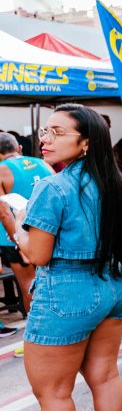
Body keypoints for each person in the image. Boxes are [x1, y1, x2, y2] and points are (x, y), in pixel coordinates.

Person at [0, 104, 122, 411]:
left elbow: (38, 256)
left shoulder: (53, 187)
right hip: (113, 288)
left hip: (66, 292)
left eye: (58, 132)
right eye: (46, 131)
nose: (45, 138)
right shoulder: (114, 183)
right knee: (105, 376)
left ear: (84, 143)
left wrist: (13, 226)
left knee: (54, 394)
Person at [0, 132, 54, 321]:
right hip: (49, 232)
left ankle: (38, 332)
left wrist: (18, 240)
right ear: (19, 148)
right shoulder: (44, 163)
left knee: (29, 285)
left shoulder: (2, 170)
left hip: (15, 236)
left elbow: (4, 212)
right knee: (53, 282)